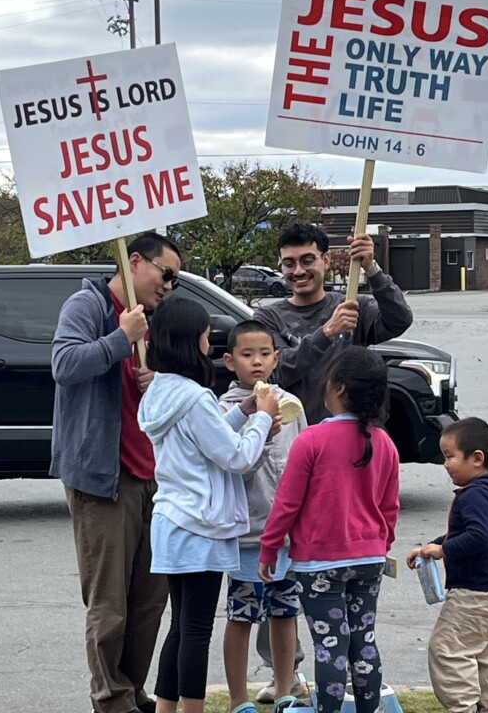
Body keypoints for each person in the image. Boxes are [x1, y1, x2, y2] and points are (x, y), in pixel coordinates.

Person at [50, 230, 182, 713]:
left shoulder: (156, 320)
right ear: (134, 262)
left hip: (156, 476)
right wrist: (119, 339)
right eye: (165, 274)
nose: (169, 286)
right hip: (104, 478)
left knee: (149, 598)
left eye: (176, 280)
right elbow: (64, 364)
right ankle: (111, 699)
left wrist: (160, 377)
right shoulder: (87, 306)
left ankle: (131, 689)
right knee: (110, 604)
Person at [137, 297, 280, 713]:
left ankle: (167, 708)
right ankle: (192, 709)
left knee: (179, 628)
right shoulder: (196, 397)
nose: (207, 340)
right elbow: (236, 456)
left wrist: (246, 411)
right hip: (200, 525)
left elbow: (205, 439)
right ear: (190, 341)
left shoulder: (161, 390)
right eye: (204, 333)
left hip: (172, 520)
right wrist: (265, 418)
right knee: (196, 630)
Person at [259, 346, 401, 713]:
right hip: (369, 558)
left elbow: (287, 504)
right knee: (363, 640)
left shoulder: (311, 440)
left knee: (330, 646)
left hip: (320, 564)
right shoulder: (384, 442)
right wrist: (381, 541)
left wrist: (269, 549)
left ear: (337, 388)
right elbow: (390, 508)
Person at [218, 321, 308, 713]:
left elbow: (305, 465)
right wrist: (260, 430)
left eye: (264, 354)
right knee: (241, 615)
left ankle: (285, 688)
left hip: (286, 537)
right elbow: (231, 466)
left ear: (277, 358)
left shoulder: (292, 407)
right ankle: (239, 699)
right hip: (246, 536)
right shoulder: (224, 410)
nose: (256, 362)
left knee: (285, 613)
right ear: (229, 360)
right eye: (246, 354)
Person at [406, 417, 488, 713]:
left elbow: (478, 537)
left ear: (476, 458)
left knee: (448, 650)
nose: (445, 464)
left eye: (449, 456)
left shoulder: (475, 495)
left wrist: (442, 550)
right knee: (480, 651)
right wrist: (433, 546)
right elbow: (470, 534)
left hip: (474, 595)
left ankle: (463, 706)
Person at [253, 222, 413, 425]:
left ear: (326, 260)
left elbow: (400, 320)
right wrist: (328, 332)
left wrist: (372, 269)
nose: (299, 271)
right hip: (296, 438)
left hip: (350, 436)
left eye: (308, 260)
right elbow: (277, 372)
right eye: (289, 263)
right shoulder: (267, 318)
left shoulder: (353, 305)